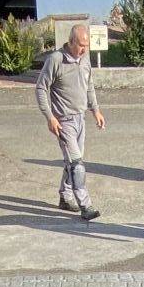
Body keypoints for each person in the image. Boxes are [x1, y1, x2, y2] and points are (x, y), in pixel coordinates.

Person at [35, 23, 105, 222]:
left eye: (87, 45)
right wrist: (50, 117)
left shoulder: (84, 59)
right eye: (81, 45)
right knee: (77, 164)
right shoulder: (55, 60)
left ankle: (65, 197)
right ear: (71, 41)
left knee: (72, 162)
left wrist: (96, 110)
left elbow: (89, 85)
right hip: (64, 122)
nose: (84, 49)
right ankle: (86, 205)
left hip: (80, 118)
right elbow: (41, 88)